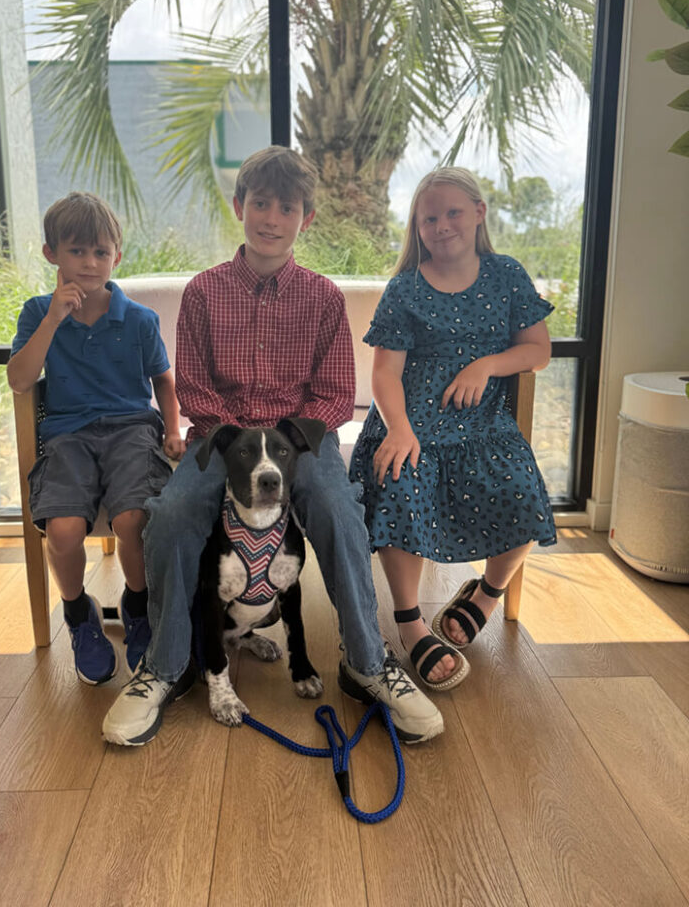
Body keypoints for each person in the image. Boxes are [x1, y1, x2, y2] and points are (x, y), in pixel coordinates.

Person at [102, 146, 445, 747]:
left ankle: (367, 661)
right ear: (240, 207)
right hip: (224, 441)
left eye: (286, 207)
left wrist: (287, 444)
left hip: (299, 445)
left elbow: (337, 392)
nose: (271, 217)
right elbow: (196, 386)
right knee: (173, 513)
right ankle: (164, 666)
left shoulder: (322, 298)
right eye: (260, 203)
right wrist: (240, 442)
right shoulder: (205, 293)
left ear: (305, 218)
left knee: (340, 510)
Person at [348, 167, 556, 693]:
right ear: (417, 228)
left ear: (479, 213)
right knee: (399, 484)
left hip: (483, 426)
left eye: (453, 213)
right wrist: (398, 429)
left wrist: (486, 365)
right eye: (429, 219)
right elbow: (384, 372)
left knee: (525, 496)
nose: (442, 226)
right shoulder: (405, 288)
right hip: (409, 422)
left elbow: (538, 350)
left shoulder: (507, 275)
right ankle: (410, 621)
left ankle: (485, 594)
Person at [8, 192, 184, 685]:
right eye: (77, 251)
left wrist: (171, 430)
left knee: (133, 519)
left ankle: (137, 605)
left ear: (117, 257)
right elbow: (20, 381)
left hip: (132, 429)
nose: (89, 263)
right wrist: (51, 321)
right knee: (62, 531)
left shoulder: (140, 320)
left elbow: (164, 381)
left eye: (101, 252)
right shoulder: (37, 312)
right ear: (51, 254)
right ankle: (78, 613)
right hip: (67, 436)